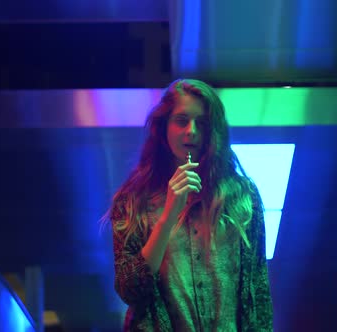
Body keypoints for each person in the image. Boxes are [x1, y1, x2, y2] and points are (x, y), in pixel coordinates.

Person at [106, 79, 273, 331]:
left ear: (213, 131)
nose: (191, 131)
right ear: (164, 127)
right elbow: (129, 290)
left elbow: (259, 295)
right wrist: (168, 216)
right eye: (182, 120)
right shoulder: (133, 202)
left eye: (202, 124)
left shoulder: (243, 196)